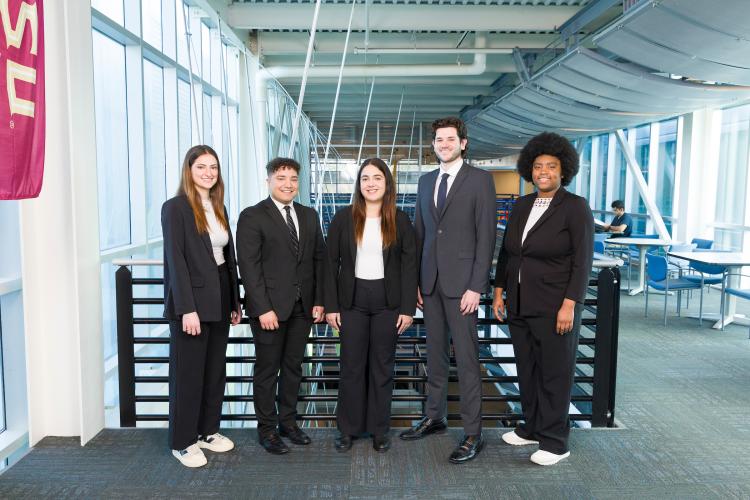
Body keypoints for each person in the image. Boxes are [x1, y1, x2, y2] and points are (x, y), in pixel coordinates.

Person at [399, 116, 497, 464]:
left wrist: (476, 286)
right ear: (434, 144)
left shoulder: (480, 181)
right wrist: (415, 283)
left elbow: (486, 237)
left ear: (463, 143)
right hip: (431, 284)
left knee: (467, 362)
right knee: (435, 356)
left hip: (462, 288)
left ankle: (472, 434)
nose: (444, 144)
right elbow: (420, 235)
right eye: (439, 139)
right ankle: (434, 417)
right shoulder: (426, 181)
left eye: (450, 139)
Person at [492, 132, 593, 466]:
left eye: (551, 166)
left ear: (564, 171)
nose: (544, 171)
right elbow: (508, 254)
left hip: (554, 306)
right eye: (538, 166)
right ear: (529, 170)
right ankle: (532, 427)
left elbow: (582, 261)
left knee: (554, 373)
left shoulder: (575, 207)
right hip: (520, 302)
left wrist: (570, 304)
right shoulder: (522, 205)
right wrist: (497, 291)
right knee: (528, 369)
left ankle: (555, 440)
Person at [324, 158, 418, 453]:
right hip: (351, 300)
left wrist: (407, 309)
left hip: (387, 302)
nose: (371, 183)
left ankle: (379, 430)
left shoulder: (400, 220)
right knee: (351, 367)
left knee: (382, 368)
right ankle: (348, 430)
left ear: (387, 184)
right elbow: (329, 265)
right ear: (359, 184)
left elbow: (409, 266)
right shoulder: (343, 218)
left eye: (377, 178)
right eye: (365, 178)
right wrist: (331, 306)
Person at [236, 157, 326, 455]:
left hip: (302, 308)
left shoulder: (309, 215)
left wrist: (319, 302)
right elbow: (249, 267)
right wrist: (262, 308)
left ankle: (289, 423)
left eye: (293, 179)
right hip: (269, 310)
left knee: (293, 368)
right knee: (266, 370)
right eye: (281, 178)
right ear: (269, 181)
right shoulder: (252, 216)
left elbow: (318, 261)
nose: (288, 184)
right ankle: (267, 430)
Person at [162, 145, 242, 468]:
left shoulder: (217, 205)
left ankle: (207, 432)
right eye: (202, 167)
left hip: (220, 297)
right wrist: (187, 309)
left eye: (213, 168)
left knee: (214, 371)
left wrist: (235, 301)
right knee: (188, 373)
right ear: (189, 170)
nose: (209, 173)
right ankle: (182, 442)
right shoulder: (176, 208)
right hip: (192, 304)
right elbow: (176, 262)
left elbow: (226, 258)